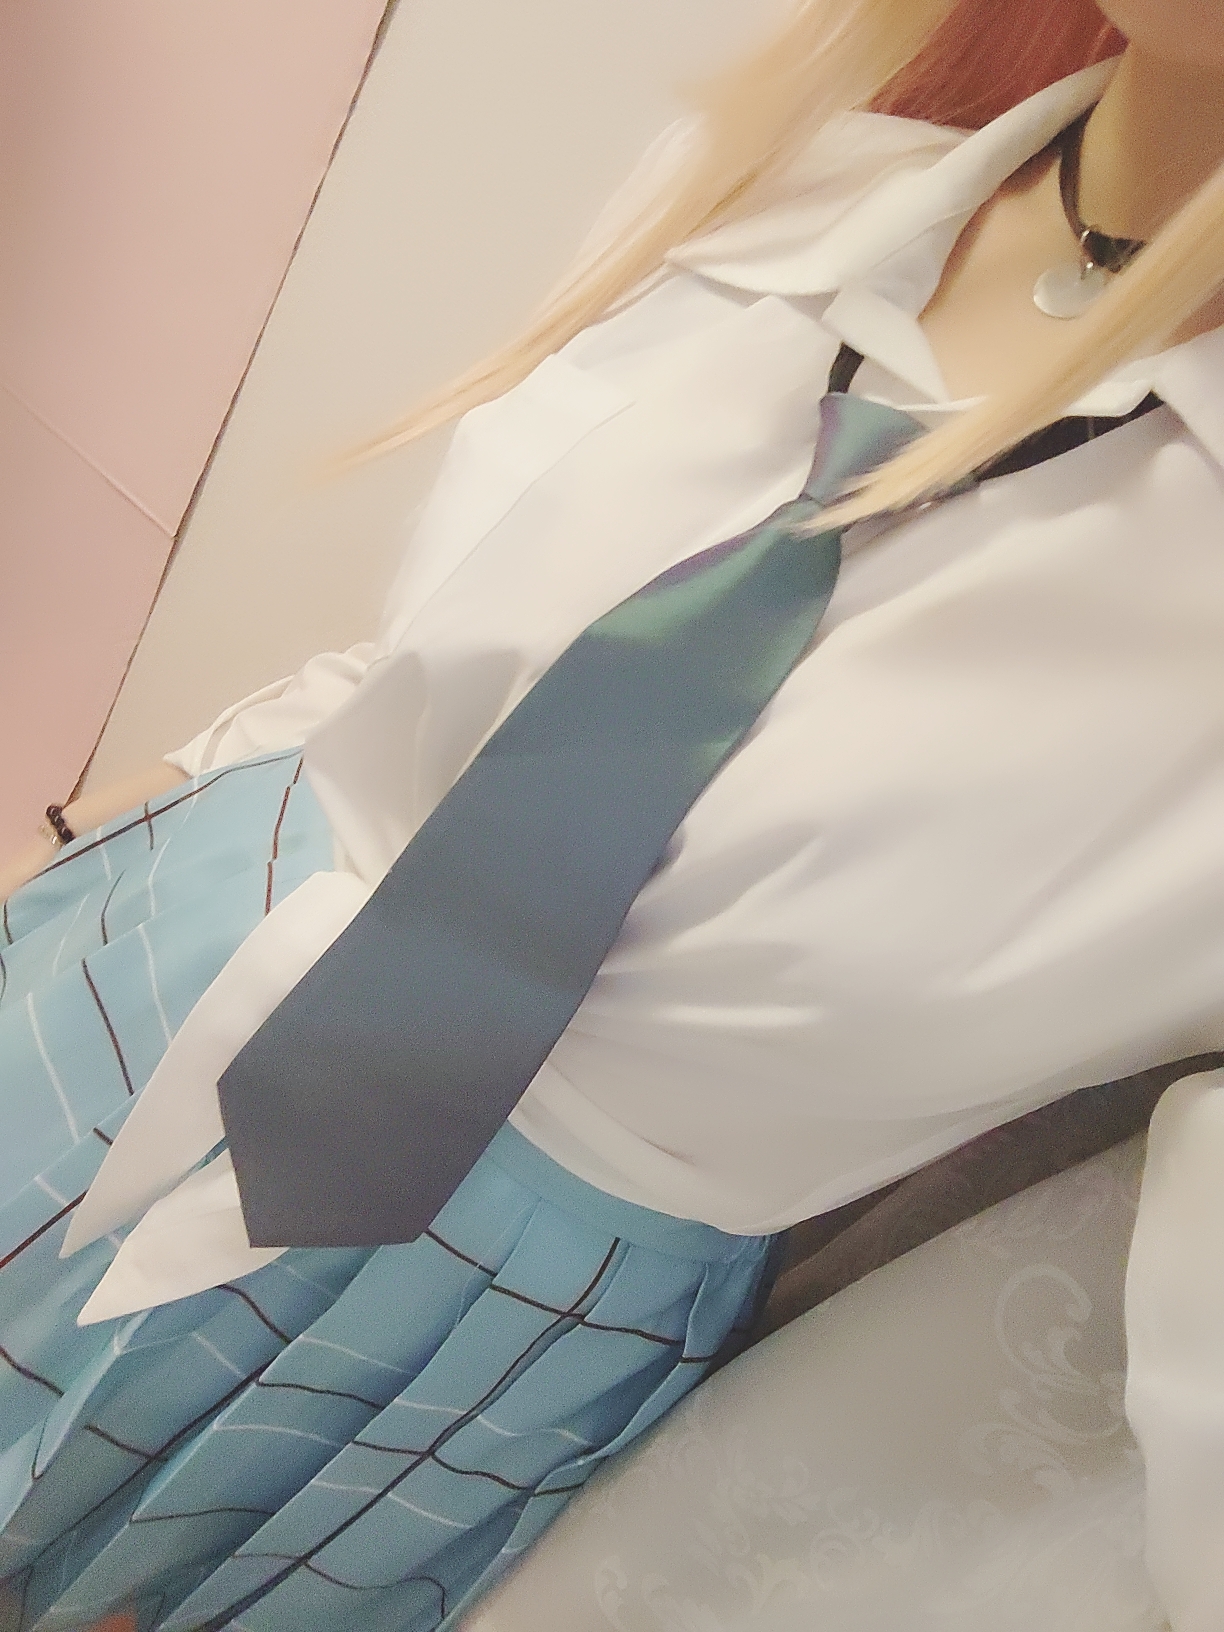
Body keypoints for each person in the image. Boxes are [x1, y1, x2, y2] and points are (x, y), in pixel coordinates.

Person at [2, 0, 1223, 1626]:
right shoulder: (790, 189)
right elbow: (443, 665)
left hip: (445, 1343)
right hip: (134, 966)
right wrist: (82, 834)